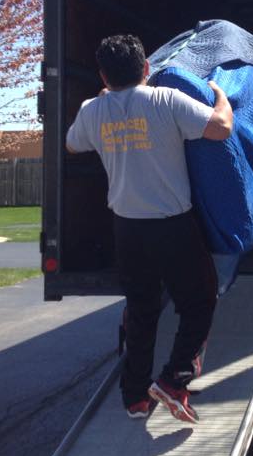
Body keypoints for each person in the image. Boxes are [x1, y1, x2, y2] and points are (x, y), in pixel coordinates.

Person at [65, 34, 233, 424]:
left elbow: (72, 145)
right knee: (199, 301)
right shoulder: (166, 100)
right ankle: (174, 380)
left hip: (126, 229)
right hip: (172, 227)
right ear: (146, 68)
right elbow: (221, 128)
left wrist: (101, 108)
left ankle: (136, 397)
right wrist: (221, 97)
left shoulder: (92, 111)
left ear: (103, 76)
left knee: (141, 309)